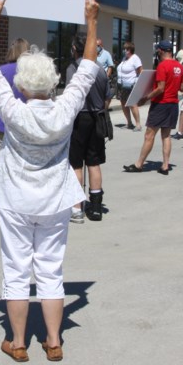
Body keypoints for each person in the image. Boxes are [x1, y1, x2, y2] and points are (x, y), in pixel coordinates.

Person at [0, 0, 101, 363]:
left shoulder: (13, 109)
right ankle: (53, 341)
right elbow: (87, 70)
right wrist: (92, 19)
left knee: (16, 270)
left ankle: (18, 343)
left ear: (21, 85)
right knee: (51, 271)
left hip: (15, 200)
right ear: (51, 83)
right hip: (55, 200)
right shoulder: (65, 108)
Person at [67, 31, 109, 222]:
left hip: (79, 118)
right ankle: (96, 205)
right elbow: (108, 96)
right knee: (93, 162)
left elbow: (70, 97)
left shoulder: (73, 68)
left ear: (75, 48)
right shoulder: (100, 68)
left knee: (76, 163)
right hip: (97, 116)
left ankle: (77, 208)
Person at [124, 42, 183, 175]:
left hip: (161, 104)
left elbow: (160, 88)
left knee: (149, 135)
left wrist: (145, 98)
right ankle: (165, 166)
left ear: (161, 51)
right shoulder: (179, 66)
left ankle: (139, 164)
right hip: (173, 104)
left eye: (158, 51)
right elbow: (182, 88)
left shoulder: (162, 66)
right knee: (166, 135)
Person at [0, 38, 30, 149]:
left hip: (0, 124)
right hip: (23, 125)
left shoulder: (1, 71)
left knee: (4, 159)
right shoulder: (31, 72)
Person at [115, 42, 143, 129]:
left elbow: (140, 71)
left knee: (132, 104)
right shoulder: (124, 58)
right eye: (124, 49)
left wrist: (137, 82)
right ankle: (129, 123)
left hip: (130, 85)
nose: (124, 51)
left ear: (130, 50)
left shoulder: (135, 58)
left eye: (126, 49)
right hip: (121, 85)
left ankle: (138, 124)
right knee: (123, 103)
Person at [96, 38, 115, 109]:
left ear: (101, 45)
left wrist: (106, 77)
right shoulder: (93, 53)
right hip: (94, 79)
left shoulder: (106, 54)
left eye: (98, 45)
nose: (96, 47)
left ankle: (105, 110)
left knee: (105, 97)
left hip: (103, 79)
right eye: (95, 45)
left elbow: (110, 66)